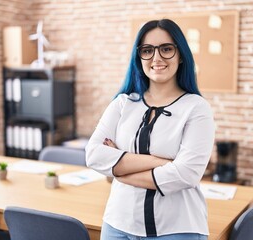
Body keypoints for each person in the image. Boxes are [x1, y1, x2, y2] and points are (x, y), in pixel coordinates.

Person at [86, 19, 215, 240]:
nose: (156, 58)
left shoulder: (196, 108)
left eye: (166, 49)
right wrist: (163, 163)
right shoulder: (122, 103)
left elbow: (186, 175)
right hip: (118, 224)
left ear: (181, 54)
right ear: (139, 57)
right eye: (147, 50)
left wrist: (119, 169)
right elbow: (94, 155)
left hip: (177, 229)